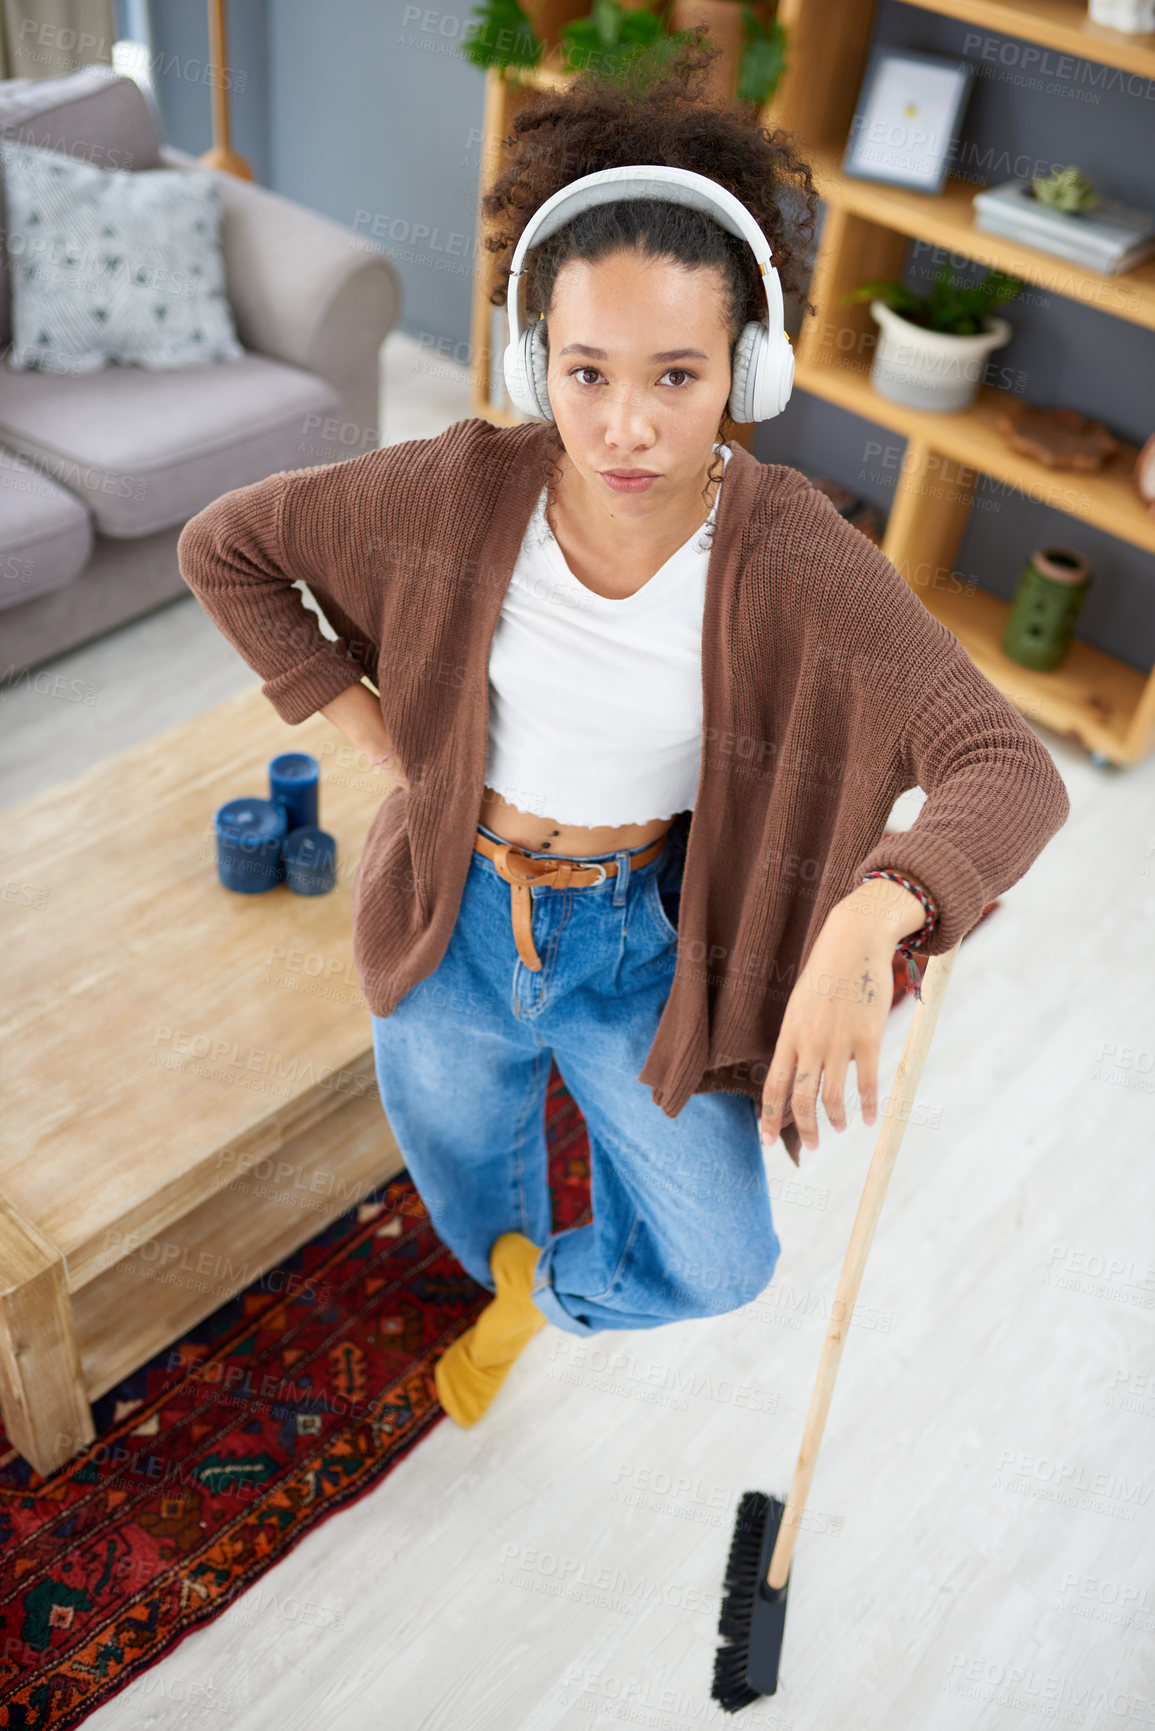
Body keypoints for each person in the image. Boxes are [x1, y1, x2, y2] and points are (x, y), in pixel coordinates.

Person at [178, 41, 1070, 1431]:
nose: (626, 425)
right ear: (536, 361)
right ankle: (508, 1276)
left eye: (677, 374)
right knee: (473, 1195)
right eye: (587, 373)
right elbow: (226, 546)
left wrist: (870, 916)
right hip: (446, 917)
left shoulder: (793, 559)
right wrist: (374, 734)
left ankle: (546, 1298)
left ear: (750, 371)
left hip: (638, 955)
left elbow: (1007, 767)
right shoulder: (450, 491)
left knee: (719, 1264)